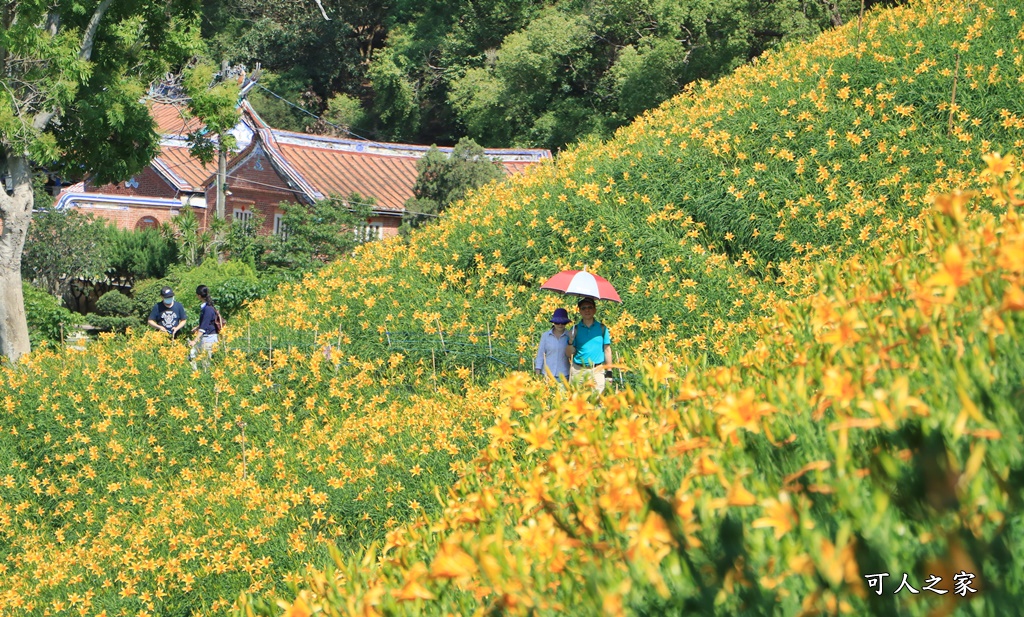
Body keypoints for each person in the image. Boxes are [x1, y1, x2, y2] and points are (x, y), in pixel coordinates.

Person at [565, 297, 613, 394]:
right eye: (583, 308)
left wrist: (609, 372)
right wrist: (570, 340)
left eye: (590, 307)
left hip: (597, 370)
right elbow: (568, 354)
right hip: (578, 370)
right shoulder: (575, 329)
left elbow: (607, 350)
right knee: (578, 403)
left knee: (598, 401)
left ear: (595, 310)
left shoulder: (602, 328)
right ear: (579, 311)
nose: (587, 310)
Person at [534, 308, 571, 382]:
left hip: (563, 375)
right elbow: (540, 355)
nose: (560, 325)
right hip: (547, 375)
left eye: (563, 322)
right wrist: (537, 373)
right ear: (553, 322)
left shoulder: (569, 336)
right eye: (557, 322)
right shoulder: (545, 336)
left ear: (566, 323)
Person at [189, 285, 219, 370]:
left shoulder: (207, 309)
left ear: (199, 296)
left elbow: (204, 327)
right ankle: (195, 373)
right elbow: (208, 322)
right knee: (192, 354)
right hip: (207, 339)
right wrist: (197, 327)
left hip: (208, 340)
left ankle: (200, 377)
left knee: (205, 365)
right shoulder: (209, 307)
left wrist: (194, 341)